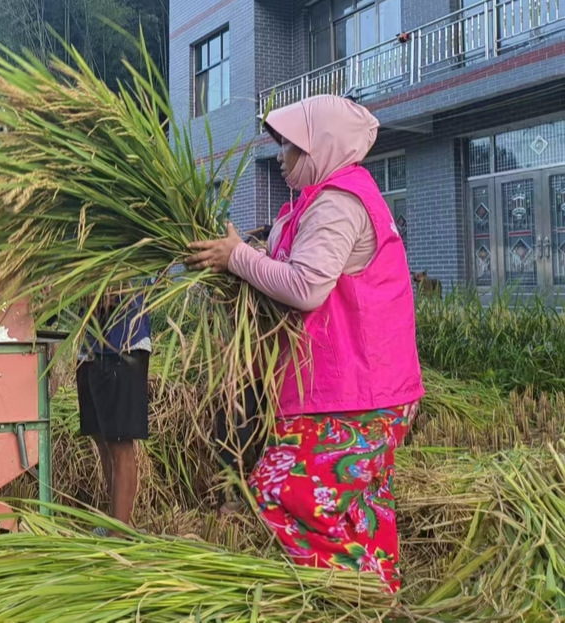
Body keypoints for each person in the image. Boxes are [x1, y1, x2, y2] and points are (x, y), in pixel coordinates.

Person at [185, 94, 424, 593]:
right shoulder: (317, 200)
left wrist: (235, 259)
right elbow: (277, 267)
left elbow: (307, 287)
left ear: (321, 147)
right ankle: (373, 598)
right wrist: (231, 257)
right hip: (354, 389)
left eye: (290, 147)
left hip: (357, 393)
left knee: (281, 490)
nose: (281, 156)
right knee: (360, 507)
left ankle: (339, 596)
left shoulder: (339, 203)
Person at [76, 290, 151, 533]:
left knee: (120, 443)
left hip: (123, 345)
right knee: (102, 438)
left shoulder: (131, 255)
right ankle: (115, 523)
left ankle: (119, 536)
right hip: (91, 348)